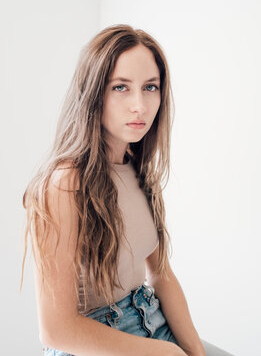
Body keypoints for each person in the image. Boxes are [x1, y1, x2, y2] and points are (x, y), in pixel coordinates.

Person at [21, 24, 235, 356]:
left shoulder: (137, 168)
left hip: (151, 320)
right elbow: (57, 330)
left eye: (150, 87)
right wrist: (170, 354)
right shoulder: (65, 183)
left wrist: (194, 352)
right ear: (93, 93)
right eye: (121, 87)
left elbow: (161, 274)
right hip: (95, 340)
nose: (140, 105)